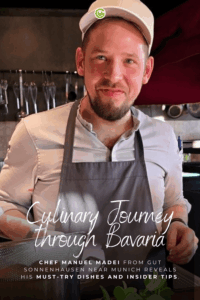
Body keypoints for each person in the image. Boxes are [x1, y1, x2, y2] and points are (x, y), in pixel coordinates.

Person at [0, 0, 198, 279]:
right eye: (101, 58)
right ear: (81, 61)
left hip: (145, 293)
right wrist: (45, 239)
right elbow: (5, 206)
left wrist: (178, 223)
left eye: (129, 60)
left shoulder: (164, 137)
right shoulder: (34, 132)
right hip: (59, 291)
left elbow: (172, 202)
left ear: (147, 71)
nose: (114, 75)